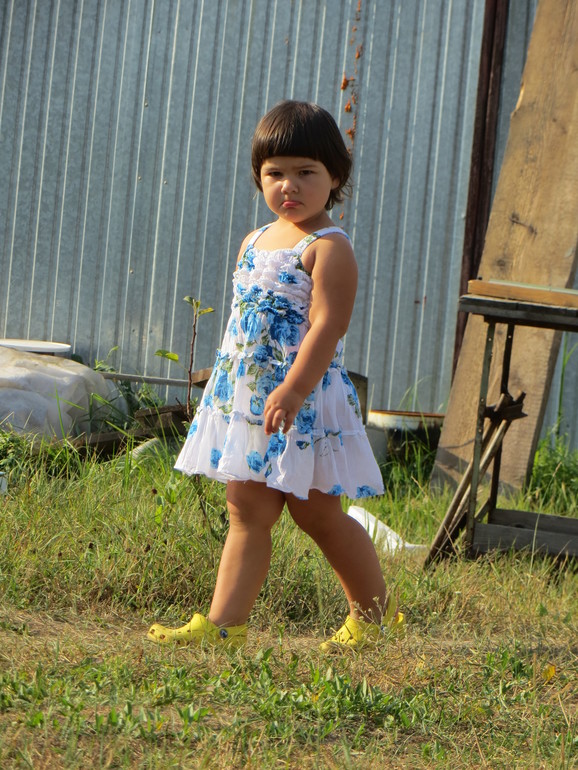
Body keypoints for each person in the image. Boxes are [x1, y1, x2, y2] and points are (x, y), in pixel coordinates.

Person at [147, 100, 403, 651]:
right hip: (251, 402)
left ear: (336, 177)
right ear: (259, 177)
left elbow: (328, 327)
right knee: (246, 509)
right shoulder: (254, 241)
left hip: (303, 401)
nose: (290, 185)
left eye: (306, 172)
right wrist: (228, 384)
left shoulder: (328, 248)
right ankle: (225, 626)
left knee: (318, 515)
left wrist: (293, 389)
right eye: (275, 173)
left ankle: (374, 619)